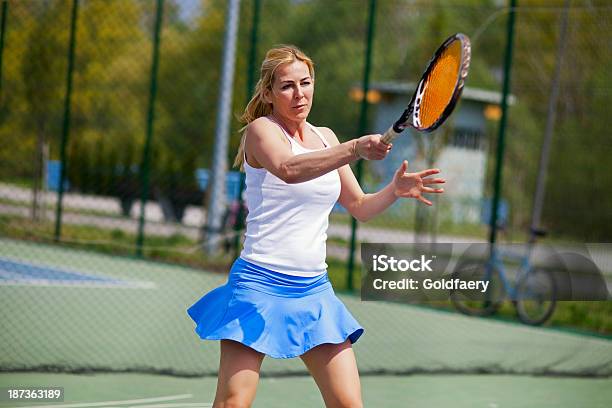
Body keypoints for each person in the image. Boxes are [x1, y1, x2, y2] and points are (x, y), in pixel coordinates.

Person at [187, 45, 445, 408]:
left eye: (305, 83)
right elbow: (290, 169)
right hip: (259, 285)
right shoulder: (261, 131)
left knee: (347, 404)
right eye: (287, 86)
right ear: (268, 94)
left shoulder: (326, 137)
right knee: (233, 402)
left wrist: (394, 190)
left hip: (313, 291)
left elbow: (360, 206)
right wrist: (355, 147)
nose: (299, 94)